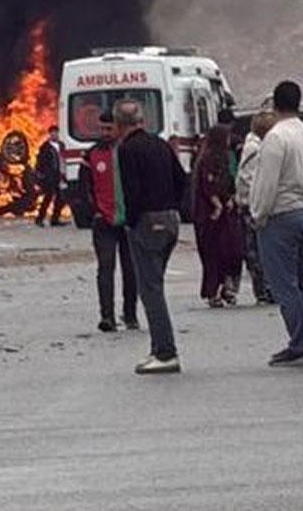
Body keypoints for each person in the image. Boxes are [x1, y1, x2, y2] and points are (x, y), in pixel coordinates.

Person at [248, 82, 303, 368]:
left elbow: (267, 183)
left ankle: (299, 343)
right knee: (300, 283)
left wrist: (258, 215)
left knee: (283, 284)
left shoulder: (276, 138)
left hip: (279, 216)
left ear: (274, 105)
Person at [114, 98, 186, 375]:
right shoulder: (160, 144)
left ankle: (165, 352)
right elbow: (182, 180)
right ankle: (160, 348)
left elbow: (131, 190)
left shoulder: (127, 149)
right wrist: (172, 207)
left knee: (150, 289)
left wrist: (131, 222)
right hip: (170, 220)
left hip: (147, 222)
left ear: (119, 124)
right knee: (155, 284)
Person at [77, 111, 138, 333]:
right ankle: (107, 316)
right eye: (102, 129)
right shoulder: (91, 155)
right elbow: (84, 187)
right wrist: (93, 212)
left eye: (109, 129)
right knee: (105, 267)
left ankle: (130, 314)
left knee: (130, 269)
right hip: (103, 220)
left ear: (118, 128)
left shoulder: (128, 151)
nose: (105, 133)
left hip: (129, 220)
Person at [191, 123, 244, 308]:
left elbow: (229, 181)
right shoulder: (207, 159)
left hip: (226, 213)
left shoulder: (226, 158)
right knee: (212, 253)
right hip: (209, 213)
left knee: (231, 251)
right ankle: (212, 290)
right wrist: (217, 203)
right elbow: (208, 184)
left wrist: (230, 198)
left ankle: (226, 286)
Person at [234, 111, 276, 304]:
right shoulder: (256, 149)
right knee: (258, 250)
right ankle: (265, 288)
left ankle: (264, 288)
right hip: (254, 205)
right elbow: (251, 179)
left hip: (250, 204)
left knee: (256, 250)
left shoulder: (252, 146)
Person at [34, 125, 65, 226]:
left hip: (60, 175)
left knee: (60, 198)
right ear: (50, 134)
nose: (54, 134)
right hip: (50, 176)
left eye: (56, 132)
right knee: (48, 197)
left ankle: (55, 219)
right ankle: (39, 219)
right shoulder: (45, 147)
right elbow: (40, 161)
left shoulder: (62, 145)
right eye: (52, 133)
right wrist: (40, 174)